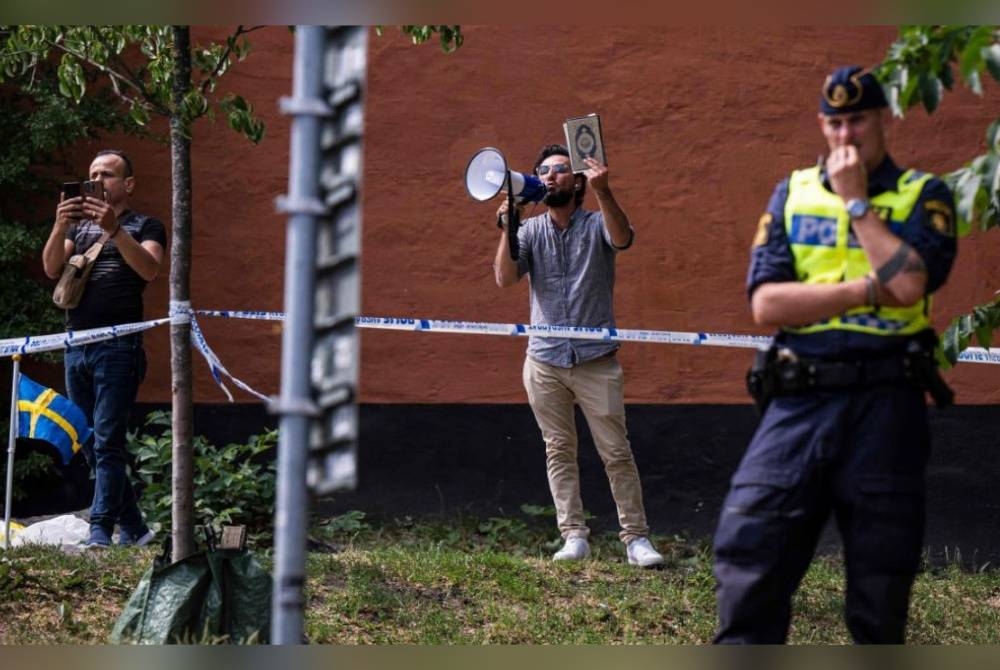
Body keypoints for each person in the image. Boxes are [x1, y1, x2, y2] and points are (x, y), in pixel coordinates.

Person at [712, 66, 958, 643]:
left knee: (880, 582)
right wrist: (867, 289)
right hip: (800, 398)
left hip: (887, 403)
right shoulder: (792, 192)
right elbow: (767, 303)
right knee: (749, 550)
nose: (847, 136)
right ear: (823, 126)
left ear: (883, 120)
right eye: (836, 122)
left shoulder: (925, 195)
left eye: (858, 121)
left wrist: (856, 204)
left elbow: (912, 287)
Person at [493, 143, 664, 568]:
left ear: (579, 181)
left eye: (560, 170)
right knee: (558, 450)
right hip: (544, 360)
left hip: (595, 361)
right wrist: (506, 228)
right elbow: (504, 279)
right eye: (544, 171)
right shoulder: (530, 231)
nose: (551, 176)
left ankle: (636, 539)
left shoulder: (595, 224)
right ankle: (573, 535)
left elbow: (622, 239)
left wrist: (606, 192)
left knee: (616, 452)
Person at [42, 149, 167, 548]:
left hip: (118, 347)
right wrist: (60, 225)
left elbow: (149, 269)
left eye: (107, 175)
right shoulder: (77, 232)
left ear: (127, 184)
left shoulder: (146, 225)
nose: (98, 180)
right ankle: (135, 527)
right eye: (93, 173)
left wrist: (114, 230)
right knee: (92, 441)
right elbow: (50, 269)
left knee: (109, 439)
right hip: (76, 346)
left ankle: (100, 531)